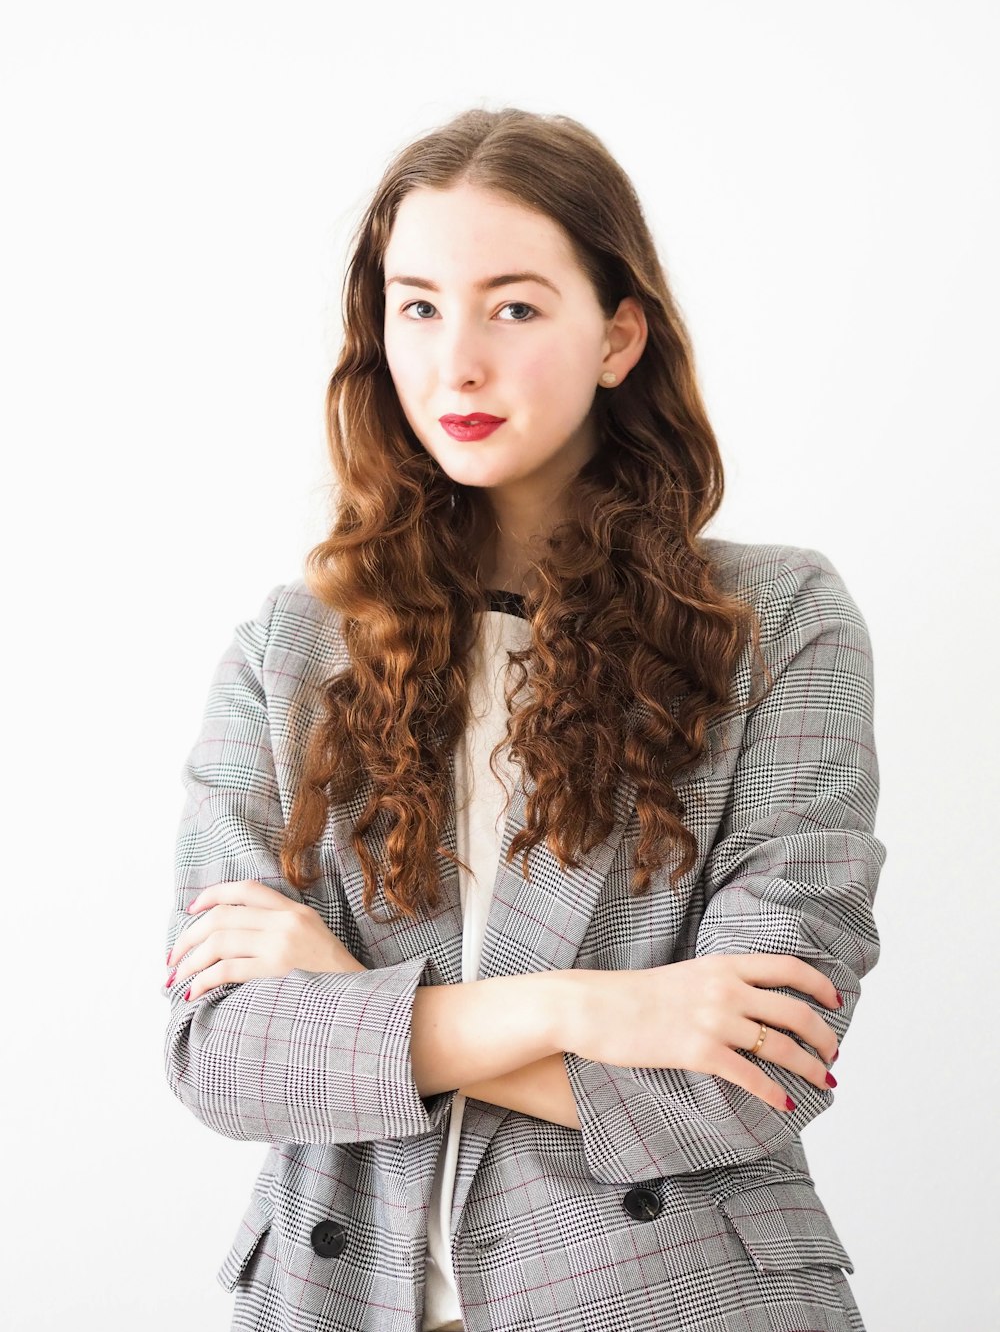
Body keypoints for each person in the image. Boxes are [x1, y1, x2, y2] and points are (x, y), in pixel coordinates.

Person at [162, 106, 885, 1332]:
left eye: (514, 306)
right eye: (418, 306)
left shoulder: (773, 620)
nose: (458, 364)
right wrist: (589, 1006)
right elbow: (225, 1055)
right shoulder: (290, 650)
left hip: (670, 1298)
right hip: (337, 1296)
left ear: (616, 336)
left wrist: (351, 1000)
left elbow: (761, 1070)